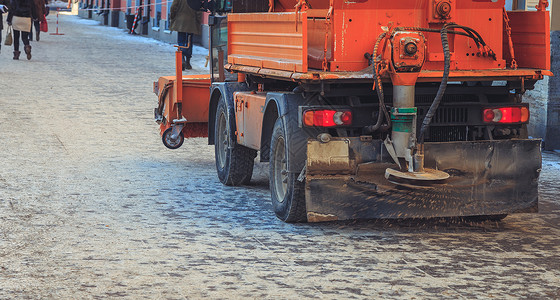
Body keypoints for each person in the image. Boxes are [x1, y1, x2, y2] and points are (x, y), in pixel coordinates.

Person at [169, 0, 201, 70]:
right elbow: (198, 10)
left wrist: (172, 16)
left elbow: (173, 7)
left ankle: (182, 58)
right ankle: (188, 62)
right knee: (189, 41)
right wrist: (198, 22)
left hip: (180, 21)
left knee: (181, 40)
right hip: (192, 22)